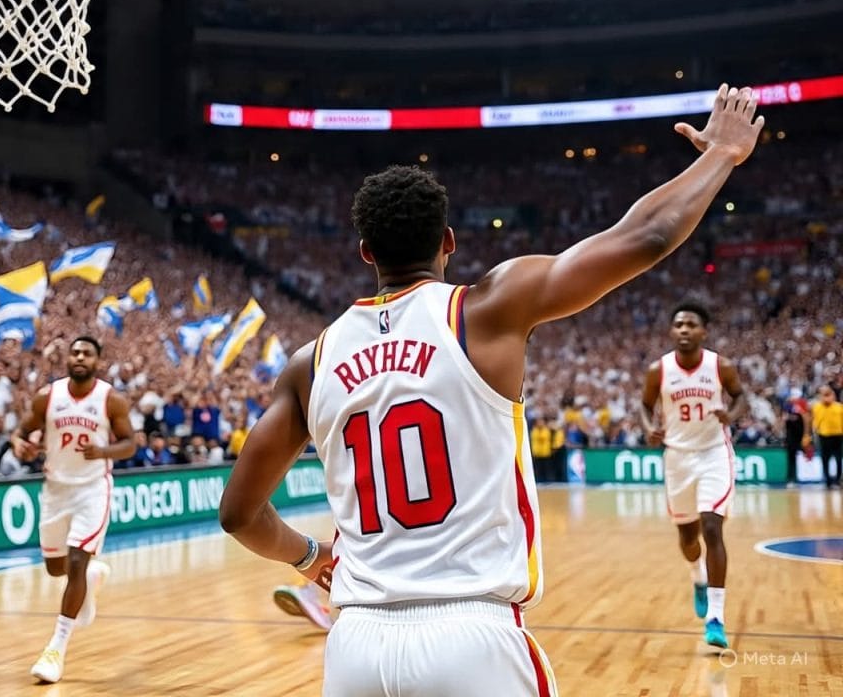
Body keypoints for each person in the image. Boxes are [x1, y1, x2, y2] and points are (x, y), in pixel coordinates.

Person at [219, 84, 763, 697]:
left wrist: (310, 557)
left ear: (366, 251)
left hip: (355, 649)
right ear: (449, 241)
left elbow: (239, 514)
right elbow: (646, 236)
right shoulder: (487, 309)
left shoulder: (308, 363)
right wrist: (720, 155)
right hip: (473, 635)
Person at [12, 336, 135, 684]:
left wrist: (104, 453)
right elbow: (20, 433)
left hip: (93, 490)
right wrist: (21, 444)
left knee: (78, 561)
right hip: (55, 491)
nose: (80, 357)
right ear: (67, 358)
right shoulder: (47, 397)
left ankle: (56, 648)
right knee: (56, 569)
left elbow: (129, 444)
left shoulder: (110, 398)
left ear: (98, 361)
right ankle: (90, 580)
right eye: (75, 352)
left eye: (87, 353)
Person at [640, 302, 747, 650]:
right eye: (678, 325)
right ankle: (697, 575)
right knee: (688, 540)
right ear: (672, 332)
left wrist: (730, 414)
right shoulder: (659, 369)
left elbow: (740, 396)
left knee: (712, 527)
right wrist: (649, 428)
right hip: (678, 459)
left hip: (715, 454)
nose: (684, 330)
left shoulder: (721, 366)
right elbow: (645, 405)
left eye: (691, 325)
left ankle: (716, 617)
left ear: (704, 331)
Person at [812, 384, 843, 488]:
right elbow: (815, 421)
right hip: (824, 435)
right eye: (824, 394)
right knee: (825, 459)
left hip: (837, 435)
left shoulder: (839, 407)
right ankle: (828, 481)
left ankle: (838, 480)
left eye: (828, 394)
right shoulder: (817, 407)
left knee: (838, 458)